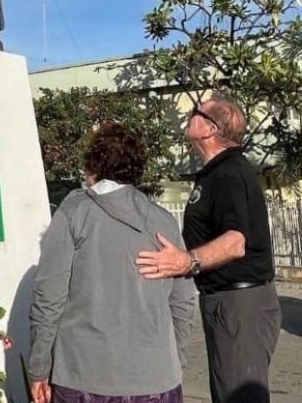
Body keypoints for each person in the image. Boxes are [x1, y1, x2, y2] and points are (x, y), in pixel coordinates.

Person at [29, 121, 195, 403]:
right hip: (157, 380)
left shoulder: (73, 214)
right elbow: (182, 302)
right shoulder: (163, 220)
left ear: (92, 163)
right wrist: (174, 360)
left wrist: (38, 369)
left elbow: (49, 300)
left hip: (85, 378)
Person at [135, 93, 280, 403]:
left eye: (196, 113)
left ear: (211, 129)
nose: (190, 115)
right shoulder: (217, 173)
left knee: (239, 396)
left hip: (240, 303)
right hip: (229, 302)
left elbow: (235, 242)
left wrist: (187, 262)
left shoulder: (228, 173)